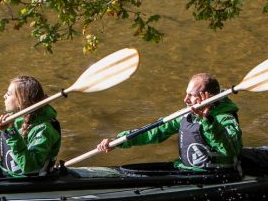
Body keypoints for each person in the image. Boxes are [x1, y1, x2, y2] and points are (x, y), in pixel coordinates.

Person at [96, 72, 242, 172]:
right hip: (188, 170)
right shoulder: (186, 115)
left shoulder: (225, 117)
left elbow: (231, 149)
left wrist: (207, 119)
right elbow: (154, 132)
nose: (185, 100)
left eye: (191, 95)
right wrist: (118, 141)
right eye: (186, 94)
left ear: (206, 97)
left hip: (217, 175)